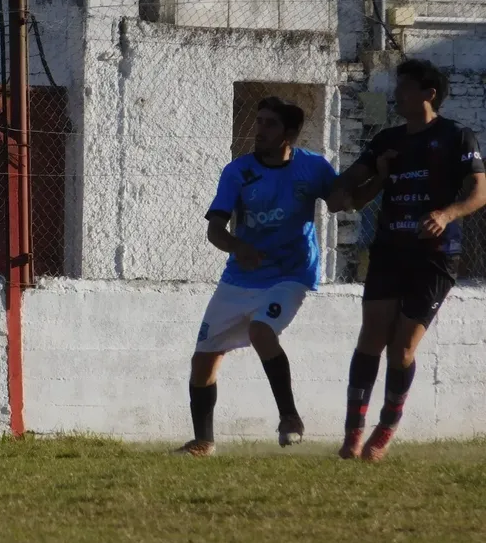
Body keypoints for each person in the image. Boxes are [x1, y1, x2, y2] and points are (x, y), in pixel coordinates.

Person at [176, 96, 349, 457]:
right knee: (203, 359)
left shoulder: (313, 168)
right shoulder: (237, 171)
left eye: (270, 124)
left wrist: (370, 175)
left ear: (289, 133)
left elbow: (340, 201)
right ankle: (203, 442)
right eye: (259, 122)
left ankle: (290, 418)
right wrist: (239, 248)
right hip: (241, 276)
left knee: (261, 331)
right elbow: (216, 231)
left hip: (292, 273)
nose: (260, 130)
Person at [332, 59, 486, 462]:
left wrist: (446, 214)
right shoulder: (388, 139)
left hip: (434, 258)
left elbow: (479, 192)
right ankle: (352, 434)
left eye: (403, 88)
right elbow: (351, 178)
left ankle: (384, 431)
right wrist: (343, 189)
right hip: (389, 251)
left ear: (428, 93)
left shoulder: (456, 136)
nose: (395, 95)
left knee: (401, 350)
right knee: (371, 338)